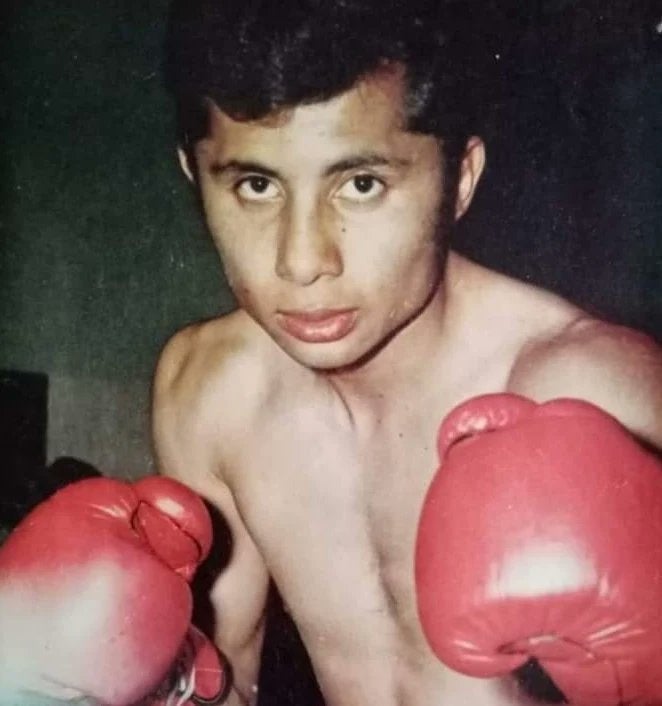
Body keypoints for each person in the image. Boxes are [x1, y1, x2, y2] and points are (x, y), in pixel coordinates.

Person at [152, 1, 662, 705]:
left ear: (459, 180)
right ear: (193, 173)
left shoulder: (595, 393)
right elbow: (222, 685)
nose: (302, 262)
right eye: (257, 185)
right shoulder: (210, 390)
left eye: (361, 185)